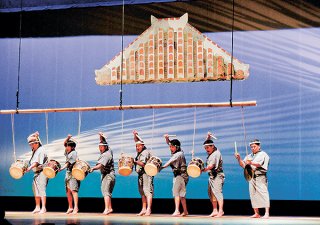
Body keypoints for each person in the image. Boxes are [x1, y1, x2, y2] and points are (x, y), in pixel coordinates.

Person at [234, 139, 270, 219]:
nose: (253, 148)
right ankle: (256, 213)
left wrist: (251, 162)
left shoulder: (263, 154)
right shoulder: (249, 156)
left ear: (258, 146)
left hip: (260, 176)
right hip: (251, 176)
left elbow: (259, 164)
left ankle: (266, 213)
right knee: (252, 194)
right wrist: (239, 158)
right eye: (251, 147)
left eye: (254, 146)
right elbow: (243, 165)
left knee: (263, 193)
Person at [161, 135, 188, 217]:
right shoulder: (178, 151)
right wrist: (167, 139)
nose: (170, 148)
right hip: (181, 175)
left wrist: (160, 168)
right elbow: (169, 143)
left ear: (176, 147)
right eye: (170, 147)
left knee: (176, 192)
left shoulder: (179, 154)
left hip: (180, 175)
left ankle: (177, 210)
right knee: (181, 195)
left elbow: (169, 162)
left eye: (172, 147)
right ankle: (185, 211)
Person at [89, 132, 116, 215]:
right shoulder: (109, 151)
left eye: (101, 147)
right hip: (108, 175)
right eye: (99, 146)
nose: (100, 148)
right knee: (107, 192)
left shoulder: (106, 155)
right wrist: (101, 137)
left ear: (105, 147)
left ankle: (107, 209)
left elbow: (100, 165)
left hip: (108, 175)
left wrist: (93, 168)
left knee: (106, 192)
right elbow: (104, 141)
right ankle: (110, 208)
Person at [26, 131, 49, 214]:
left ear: (36, 143)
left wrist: (29, 167)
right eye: (30, 144)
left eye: (32, 144)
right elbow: (29, 138)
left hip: (42, 172)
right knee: (36, 190)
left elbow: (37, 162)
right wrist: (34, 135)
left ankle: (43, 208)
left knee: (41, 189)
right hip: (36, 173)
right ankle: (37, 207)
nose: (31, 146)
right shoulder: (35, 149)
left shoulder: (41, 150)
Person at [202, 132, 225, 217]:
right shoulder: (211, 153)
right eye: (205, 148)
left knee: (218, 193)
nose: (206, 149)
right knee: (211, 193)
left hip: (217, 175)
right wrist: (207, 137)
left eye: (207, 147)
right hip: (211, 176)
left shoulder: (216, 153)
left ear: (213, 146)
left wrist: (204, 169)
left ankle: (221, 211)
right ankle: (215, 210)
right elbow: (207, 142)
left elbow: (212, 165)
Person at [133, 130, 154, 216]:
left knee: (147, 191)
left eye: (139, 146)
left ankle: (148, 209)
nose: (137, 147)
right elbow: (136, 140)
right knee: (142, 192)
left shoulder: (145, 152)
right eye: (136, 146)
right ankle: (144, 209)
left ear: (142, 146)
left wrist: (135, 161)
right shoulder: (140, 151)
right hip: (141, 174)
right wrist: (135, 135)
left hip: (146, 174)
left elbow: (143, 163)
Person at [59, 135, 80, 214]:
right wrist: (68, 138)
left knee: (74, 190)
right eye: (66, 146)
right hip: (68, 173)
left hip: (73, 173)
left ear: (73, 147)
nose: (66, 147)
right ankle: (70, 207)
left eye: (68, 146)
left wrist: (62, 168)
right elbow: (64, 143)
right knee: (68, 191)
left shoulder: (74, 153)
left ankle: (76, 208)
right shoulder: (68, 152)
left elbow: (68, 163)